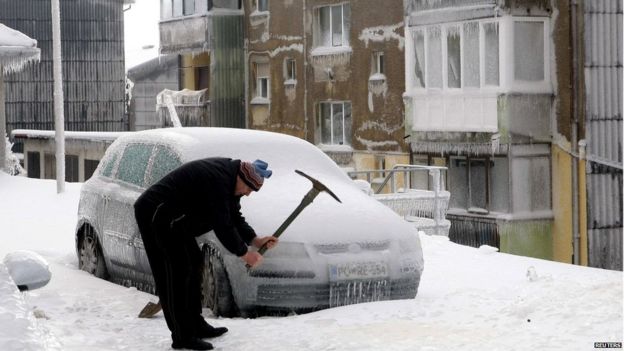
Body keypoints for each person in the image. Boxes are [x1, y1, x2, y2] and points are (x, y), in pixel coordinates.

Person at [134, 158, 278, 350]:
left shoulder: (231, 182)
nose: (248, 194)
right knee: (176, 272)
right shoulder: (218, 180)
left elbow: (234, 216)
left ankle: (196, 324)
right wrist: (244, 254)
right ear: (241, 178)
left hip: (176, 221)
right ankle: (182, 336)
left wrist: (254, 240)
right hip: (154, 214)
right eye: (248, 188)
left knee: (194, 262)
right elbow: (222, 224)